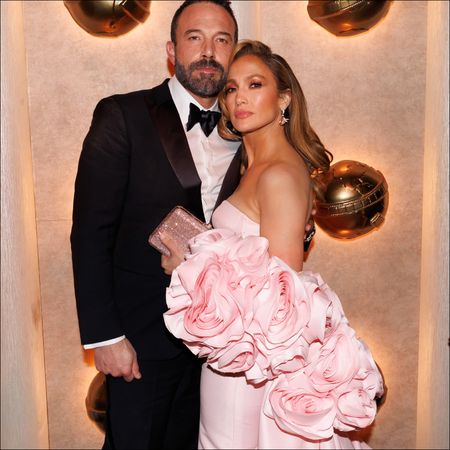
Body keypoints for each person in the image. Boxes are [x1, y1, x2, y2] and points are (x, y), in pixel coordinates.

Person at [162, 40, 383, 449]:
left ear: (283, 98)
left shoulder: (279, 174)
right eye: (230, 89)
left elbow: (283, 300)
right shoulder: (254, 167)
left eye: (255, 84)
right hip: (237, 359)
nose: (240, 97)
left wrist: (187, 270)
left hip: (254, 370)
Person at [71, 1, 240, 448]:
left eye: (221, 40)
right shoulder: (122, 116)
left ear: (234, 51)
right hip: (140, 344)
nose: (209, 51)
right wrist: (105, 337)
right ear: (172, 49)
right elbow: (90, 234)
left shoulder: (248, 131)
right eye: (195, 38)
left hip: (218, 354)